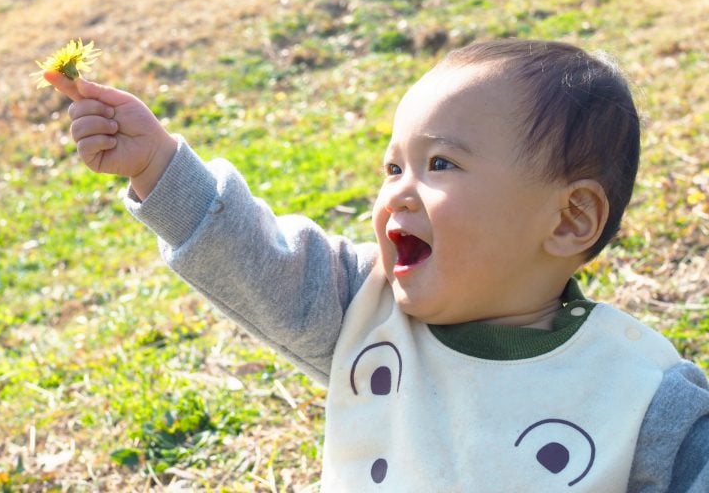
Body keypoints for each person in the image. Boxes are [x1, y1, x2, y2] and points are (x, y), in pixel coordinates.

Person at [47, 39, 709, 491]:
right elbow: (257, 258)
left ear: (568, 220)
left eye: (440, 163)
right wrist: (160, 168)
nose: (398, 189)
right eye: (394, 166)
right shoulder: (363, 313)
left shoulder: (645, 397)